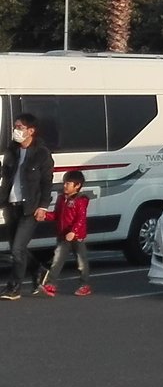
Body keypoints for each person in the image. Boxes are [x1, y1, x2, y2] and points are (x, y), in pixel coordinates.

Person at [0, 113, 55, 300]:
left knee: (16, 249)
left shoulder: (41, 153)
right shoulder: (12, 151)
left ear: (31, 131)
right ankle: (38, 269)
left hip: (30, 207)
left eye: (20, 127)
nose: (16, 130)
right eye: (15, 127)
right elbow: (6, 178)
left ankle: (13, 288)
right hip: (11, 205)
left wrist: (43, 207)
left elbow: (47, 183)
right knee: (18, 249)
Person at [37, 169, 91, 297]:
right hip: (63, 236)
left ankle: (84, 285)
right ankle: (50, 284)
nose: (65, 186)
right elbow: (57, 215)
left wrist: (73, 231)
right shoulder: (62, 199)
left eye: (68, 183)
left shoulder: (81, 200)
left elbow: (81, 218)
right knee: (57, 260)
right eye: (65, 183)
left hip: (77, 237)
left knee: (81, 261)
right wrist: (45, 216)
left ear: (77, 186)